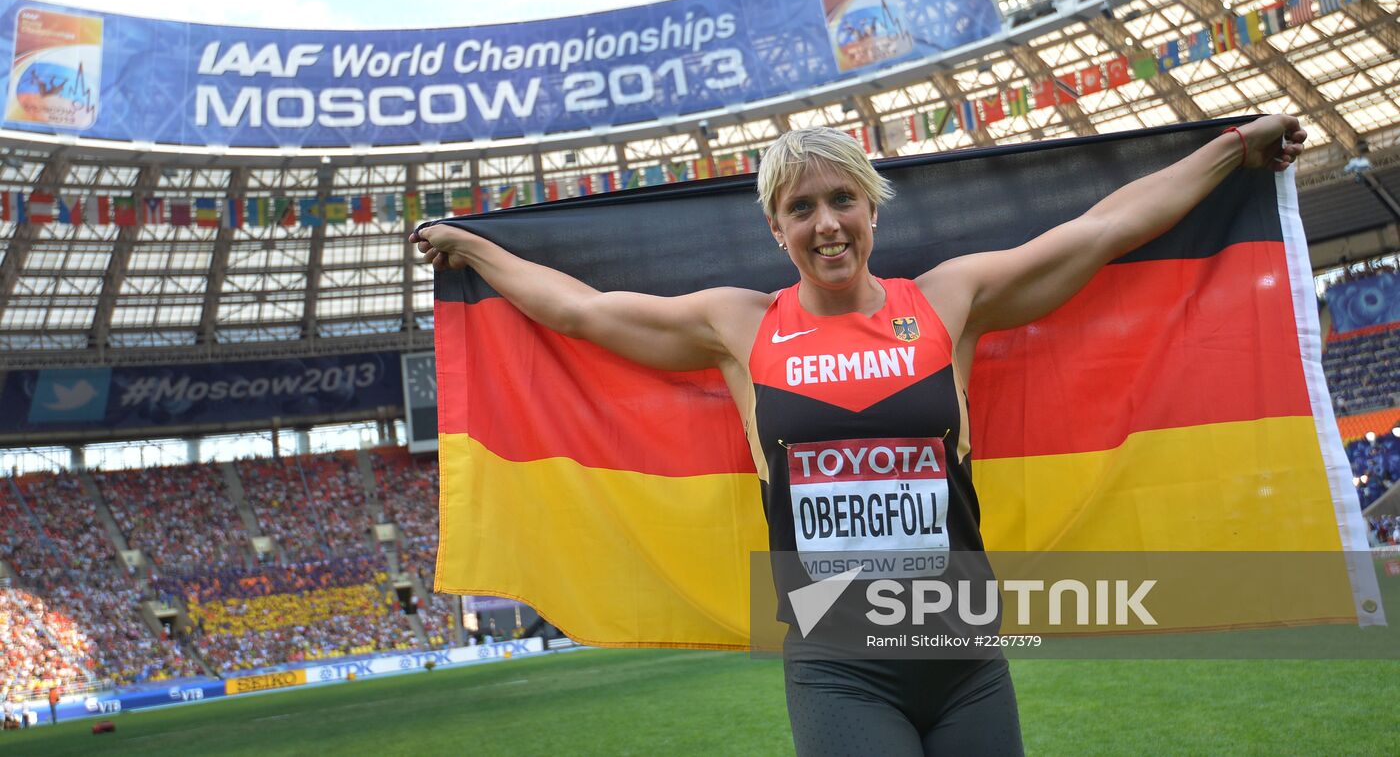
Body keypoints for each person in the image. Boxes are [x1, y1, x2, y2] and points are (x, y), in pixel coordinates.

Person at [412, 115, 1304, 756]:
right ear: (776, 227)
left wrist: (1232, 150)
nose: (826, 222)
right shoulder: (739, 327)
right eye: (802, 208)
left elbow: (1104, 230)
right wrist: (476, 250)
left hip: (963, 652)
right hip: (840, 663)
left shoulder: (949, 301)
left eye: (843, 199)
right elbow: (582, 311)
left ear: (874, 211)